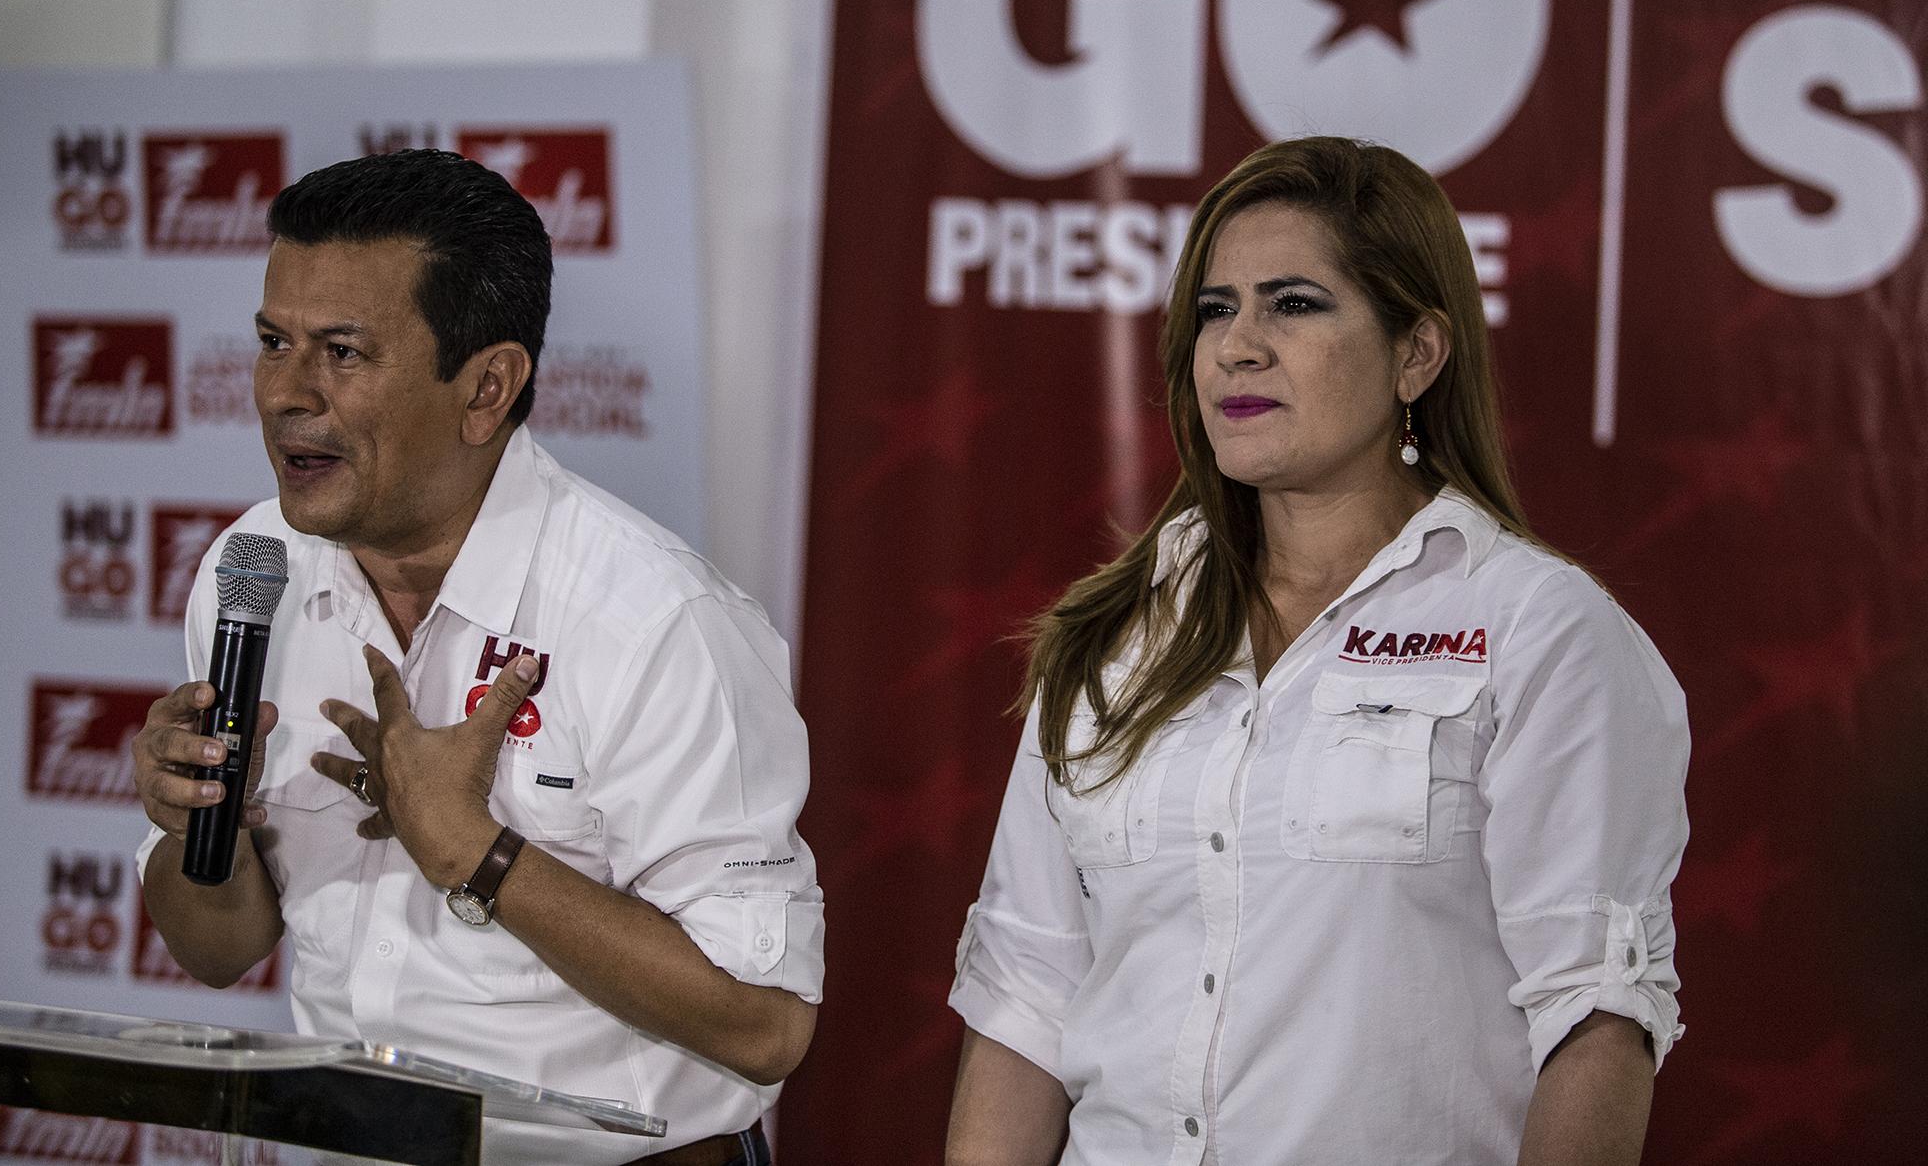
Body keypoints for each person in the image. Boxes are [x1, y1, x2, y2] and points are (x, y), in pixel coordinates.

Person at [944, 137, 1689, 1166]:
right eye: (1215, 309)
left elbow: (1597, 1023)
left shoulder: (1538, 628)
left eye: (1291, 303)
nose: (1236, 347)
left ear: (1415, 354)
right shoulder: (1112, 634)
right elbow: (1021, 1007)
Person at [130, 149, 821, 1166]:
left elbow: (766, 1026)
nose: (286, 393)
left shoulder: (655, 620)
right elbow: (217, 948)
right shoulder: (251, 573)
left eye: (343, 353)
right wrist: (203, 828)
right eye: (273, 342)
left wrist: (475, 850)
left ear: (486, 386)